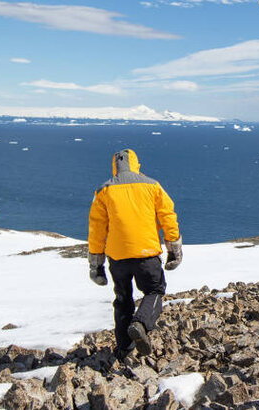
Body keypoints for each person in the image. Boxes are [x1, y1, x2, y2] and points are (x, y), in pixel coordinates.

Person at [87, 149, 183, 360]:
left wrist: (96, 264)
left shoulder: (104, 190)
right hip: (146, 253)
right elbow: (168, 217)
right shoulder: (152, 186)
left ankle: (124, 349)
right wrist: (174, 248)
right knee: (155, 291)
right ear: (136, 164)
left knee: (122, 299)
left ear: (114, 166)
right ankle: (140, 324)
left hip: (117, 257)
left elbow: (97, 229)